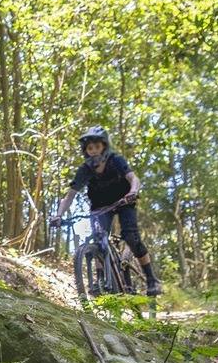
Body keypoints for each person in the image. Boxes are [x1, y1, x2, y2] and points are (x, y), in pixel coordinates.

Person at [66, 125, 162, 296]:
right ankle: (101, 279)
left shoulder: (115, 160)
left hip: (124, 201)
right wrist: (58, 215)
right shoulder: (85, 169)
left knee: (131, 237)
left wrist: (133, 192)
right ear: (85, 150)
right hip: (100, 207)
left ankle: (151, 279)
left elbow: (133, 178)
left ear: (104, 146)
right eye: (89, 148)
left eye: (97, 147)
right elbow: (70, 196)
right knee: (99, 239)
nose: (93, 151)